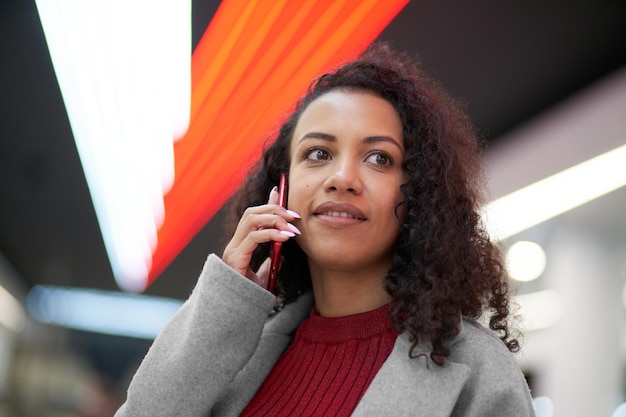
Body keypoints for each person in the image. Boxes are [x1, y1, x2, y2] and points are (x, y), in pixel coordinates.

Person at [115, 42, 535, 416]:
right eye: (318, 153)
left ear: (418, 194)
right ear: (282, 189)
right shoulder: (239, 350)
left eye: (379, 159)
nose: (342, 178)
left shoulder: (482, 373)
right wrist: (222, 307)